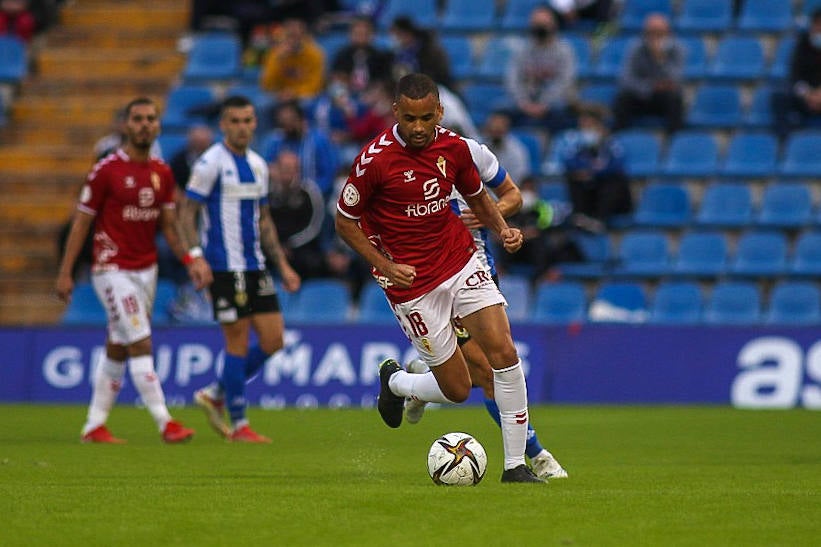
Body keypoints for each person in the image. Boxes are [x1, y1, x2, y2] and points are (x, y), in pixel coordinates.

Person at [335, 73, 543, 483]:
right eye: (410, 118)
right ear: (396, 112)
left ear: (439, 112)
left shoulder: (455, 148)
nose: (417, 127)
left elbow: (480, 197)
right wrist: (386, 264)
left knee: (504, 354)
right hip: (410, 282)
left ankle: (516, 466)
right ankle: (396, 382)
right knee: (457, 388)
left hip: (460, 260)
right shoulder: (374, 160)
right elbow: (345, 222)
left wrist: (502, 230)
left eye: (426, 117)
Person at [401, 137, 568, 480]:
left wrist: (487, 215)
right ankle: (535, 457)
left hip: (479, 272)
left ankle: (415, 381)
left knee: (481, 375)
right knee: (491, 375)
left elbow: (513, 196)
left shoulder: (472, 152)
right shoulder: (399, 163)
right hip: (434, 279)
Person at [55, 97, 197, 444]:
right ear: (126, 125)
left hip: (145, 268)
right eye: (138, 119)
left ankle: (94, 425)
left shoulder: (162, 172)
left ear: (158, 126)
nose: (145, 124)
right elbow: (81, 223)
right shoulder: (106, 170)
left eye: (151, 119)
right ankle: (166, 422)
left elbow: (169, 224)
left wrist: (191, 260)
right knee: (140, 339)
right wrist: (66, 271)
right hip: (111, 267)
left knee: (119, 343)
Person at [177, 95, 301, 443]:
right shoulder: (210, 164)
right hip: (223, 266)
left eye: (247, 120)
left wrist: (283, 265)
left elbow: (263, 220)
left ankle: (216, 391)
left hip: (255, 266)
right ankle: (240, 425)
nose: (242, 127)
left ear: (255, 123)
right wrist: (196, 257)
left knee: (274, 339)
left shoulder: (260, 165)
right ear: (223, 125)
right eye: (235, 121)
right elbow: (186, 213)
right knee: (237, 342)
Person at [504, 5, 577, 133]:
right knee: (500, 111)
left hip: (552, 104)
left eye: (543, 24)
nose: (539, 28)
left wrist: (545, 104)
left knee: (564, 113)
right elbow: (512, 79)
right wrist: (524, 102)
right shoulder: (522, 50)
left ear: (553, 26)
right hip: (525, 102)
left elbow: (564, 82)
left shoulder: (564, 51)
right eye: (536, 24)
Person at [558, 103, 632, 223]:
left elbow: (617, 164)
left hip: (610, 194)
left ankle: (600, 219)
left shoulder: (612, 142)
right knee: (574, 177)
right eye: (583, 125)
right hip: (590, 191)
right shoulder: (576, 142)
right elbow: (568, 161)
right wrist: (584, 171)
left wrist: (593, 173)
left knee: (615, 179)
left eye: (589, 124)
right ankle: (580, 216)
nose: (586, 128)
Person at [612, 13, 684, 135]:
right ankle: (620, 136)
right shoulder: (635, 49)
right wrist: (651, 87)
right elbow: (626, 79)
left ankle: (673, 140)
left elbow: (675, 79)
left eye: (660, 33)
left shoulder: (677, 49)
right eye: (652, 32)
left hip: (664, 98)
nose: (655, 37)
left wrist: (660, 58)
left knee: (675, 100)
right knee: (622, 98)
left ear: (668, 33)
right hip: (641, 95)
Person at [267, 149, 329, 280]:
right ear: (276, 169)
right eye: (283, 169)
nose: (287, 173)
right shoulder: (268, 193)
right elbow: (262, 221)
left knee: (313, 262)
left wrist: (290, 244)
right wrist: (276, 246)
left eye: (291, 169)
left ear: (298, 171)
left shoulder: (309, 192)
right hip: (273, 246)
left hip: (301, 247)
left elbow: (314, 226)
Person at [261, 99, 339, 197]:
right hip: (283, 197)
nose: (287, 125)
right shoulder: (275, 141)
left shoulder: (319, 140)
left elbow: (329, 174)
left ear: (302, 120)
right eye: (283, 122)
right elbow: (266, 167)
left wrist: (308, 192)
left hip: (314, 197)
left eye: (291, 120)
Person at [771, 8, 821, 139]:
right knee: (780, 96)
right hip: (807, 96)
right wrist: (808, 94)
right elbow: (795, 77)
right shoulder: (802, 45)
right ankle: (786, 141)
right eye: (817, 26)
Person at [259, 17, 325, 101]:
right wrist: (278, 60)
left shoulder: (315, 54)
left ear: (304, 36)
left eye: (297, 35)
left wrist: (294, 93)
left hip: (304, 96)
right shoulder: (275, 53)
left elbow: (315, 85)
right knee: (263, 105)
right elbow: (266, 85)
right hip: (279, 95)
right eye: (290, 35)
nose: (293, 40)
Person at [328, 15, 393, 96]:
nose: (360, 38)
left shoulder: (381, 57)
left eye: (364, 34)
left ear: (372, 35)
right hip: (347, 94)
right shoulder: (342, 55)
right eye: (357, 33)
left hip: (373, 95)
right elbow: (336, 78)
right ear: (350, 34)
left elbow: (384, 81)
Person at [388, 16, 454, 90]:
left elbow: (438, 76)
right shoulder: (397, 54)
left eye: (397, 34)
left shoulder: (430, 51)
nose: (394, 38)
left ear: (406, 33)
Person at [481, 110, 532, 183]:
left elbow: (519, 178)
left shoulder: (517, 151)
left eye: (499, 129)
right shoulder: (479, 146)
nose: (496, 129)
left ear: (506, 128)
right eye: (493, 128)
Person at [168, 124, 214, 192]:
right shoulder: (179, 160)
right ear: (190, 141)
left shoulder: (220, 158)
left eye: (203, 143)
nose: (200, 146)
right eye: (197, 142)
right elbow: (173, 184)